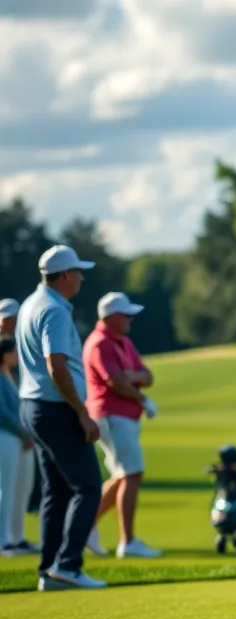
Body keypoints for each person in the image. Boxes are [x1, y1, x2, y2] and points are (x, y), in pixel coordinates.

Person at [16, 245, 106, 590]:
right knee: (87, 486)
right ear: (65, 275)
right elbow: (56, 365)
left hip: (33, 407)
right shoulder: (54, 309)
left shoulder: (29, 304)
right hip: (55, 408)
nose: (82, 277)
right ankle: (68, 565)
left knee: (56, 490)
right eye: (79, 272)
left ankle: (48, 570)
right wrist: (82, 412)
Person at [83, 292, 161, 558]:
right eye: (126, 315)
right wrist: (141, 397)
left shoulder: (123, 342)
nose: (130, 319)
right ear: (112, 317)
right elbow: (115, 383)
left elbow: (147, 375)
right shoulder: (99, 344)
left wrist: (134, 377)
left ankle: (86, 527)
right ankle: (127, 542)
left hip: (125, 417)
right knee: (132, 474)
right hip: (110, 416)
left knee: (122, 476)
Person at [0, 339, 38, 555]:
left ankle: (17, 537)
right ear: (4, 354)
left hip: (20, 439)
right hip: (5, 438)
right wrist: (23, 433)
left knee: (21, 488)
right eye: (13, 352)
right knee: (6, 489)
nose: (16, 356)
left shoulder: (9, 377)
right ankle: (3, 539)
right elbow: (2, 413)